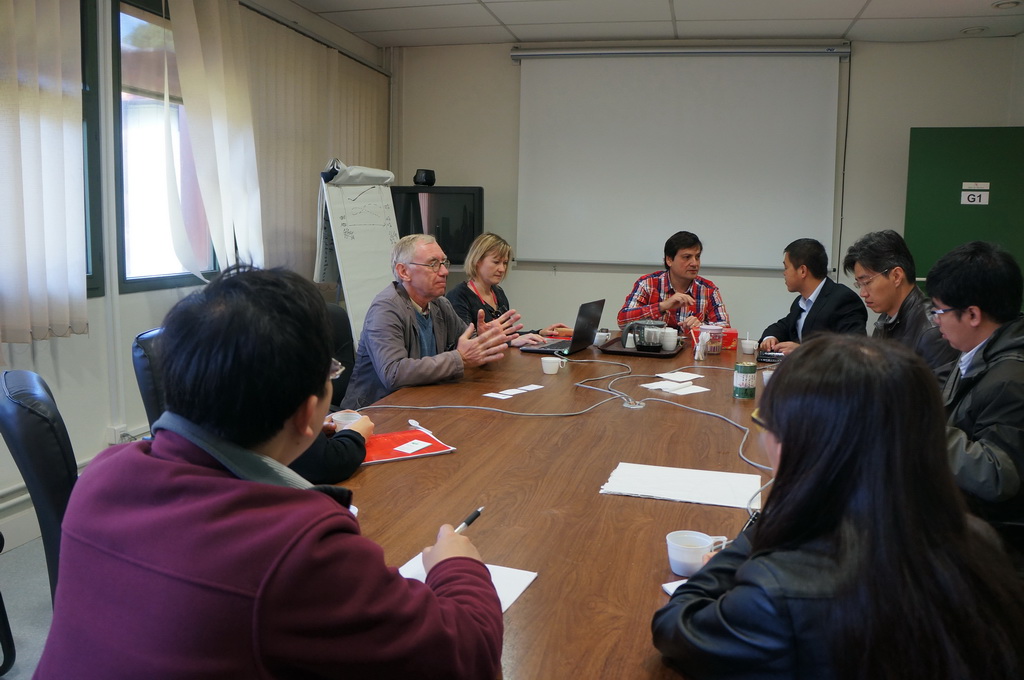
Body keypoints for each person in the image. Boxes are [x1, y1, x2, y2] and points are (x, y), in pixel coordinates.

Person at [34, 265, 503, 679]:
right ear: (308, 414)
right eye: (330, 375)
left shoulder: (102, 475)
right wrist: (456, 567)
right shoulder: (299, 549)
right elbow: (468, 659)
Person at [652, 335, 1024, 680]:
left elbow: (674, 625)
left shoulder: (776, 591)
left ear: (808, 443)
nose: (765, 441)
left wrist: (768, 521)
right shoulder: (980, 544)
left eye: (770, 425)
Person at [926, 241, 1024, 561]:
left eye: (939, 311)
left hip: (991, 543)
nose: (935, 321)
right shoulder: (977, 349)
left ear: (972, 314)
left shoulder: (1011, 378)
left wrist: (918, 426)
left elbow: (999, 475)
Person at [342, 234, 521, 409]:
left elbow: (468, 347)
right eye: (433, 264)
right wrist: (459, 358)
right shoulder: (386, 309)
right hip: (376, 411)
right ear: (404, 272)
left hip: (423, 402)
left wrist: (483, 340)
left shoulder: (439, 304)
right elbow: (393, 373)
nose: (444, 272)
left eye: (443, 263)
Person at [842, 229, 958, 382]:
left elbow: (939, 395)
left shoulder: (933, 329)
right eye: (859, 284)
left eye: (867, 282)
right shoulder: (885, 319)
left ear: (896, 276)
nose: (862, 293)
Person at [446, 232, 570, 345]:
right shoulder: (458, 296)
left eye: (505, 263)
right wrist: (510, 343)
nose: (502, 269)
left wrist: (540, 333)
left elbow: (507, 335)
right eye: (496, 262)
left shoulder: (498, 292)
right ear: (477, 261)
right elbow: (466, 345)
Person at [759, 238, 866, 354]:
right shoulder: (800, 302)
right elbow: (784, 326)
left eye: (786, 268)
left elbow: (853, 349)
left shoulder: (844, 299)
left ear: (802, 271)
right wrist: (770, 338)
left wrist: (802, 350)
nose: (784, 273)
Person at [617, 231, 730, 330]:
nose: (694, 263)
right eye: (687, 257)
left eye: (697, 257)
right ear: (669, 260)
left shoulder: (708, 289)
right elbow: (622, 321)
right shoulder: (648, 284)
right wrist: (662, 306)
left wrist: (701, 327)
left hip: (690, 348)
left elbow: (725, 328)